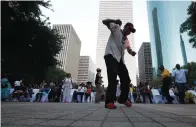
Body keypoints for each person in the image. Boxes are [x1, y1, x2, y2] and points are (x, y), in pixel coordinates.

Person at [102, 18, 136, 109]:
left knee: (126, 79)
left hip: (120, 60)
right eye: (128, 29)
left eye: (131, 31)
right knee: (113, 77)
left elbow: (128, 48)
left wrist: (131, 52)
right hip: (111, 55)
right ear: (125, 27)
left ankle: (123, 99)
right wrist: (115, 21)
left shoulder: (126, 40)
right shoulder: (116, 28)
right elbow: (104, 21)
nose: (129, 32)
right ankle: (109, 101)